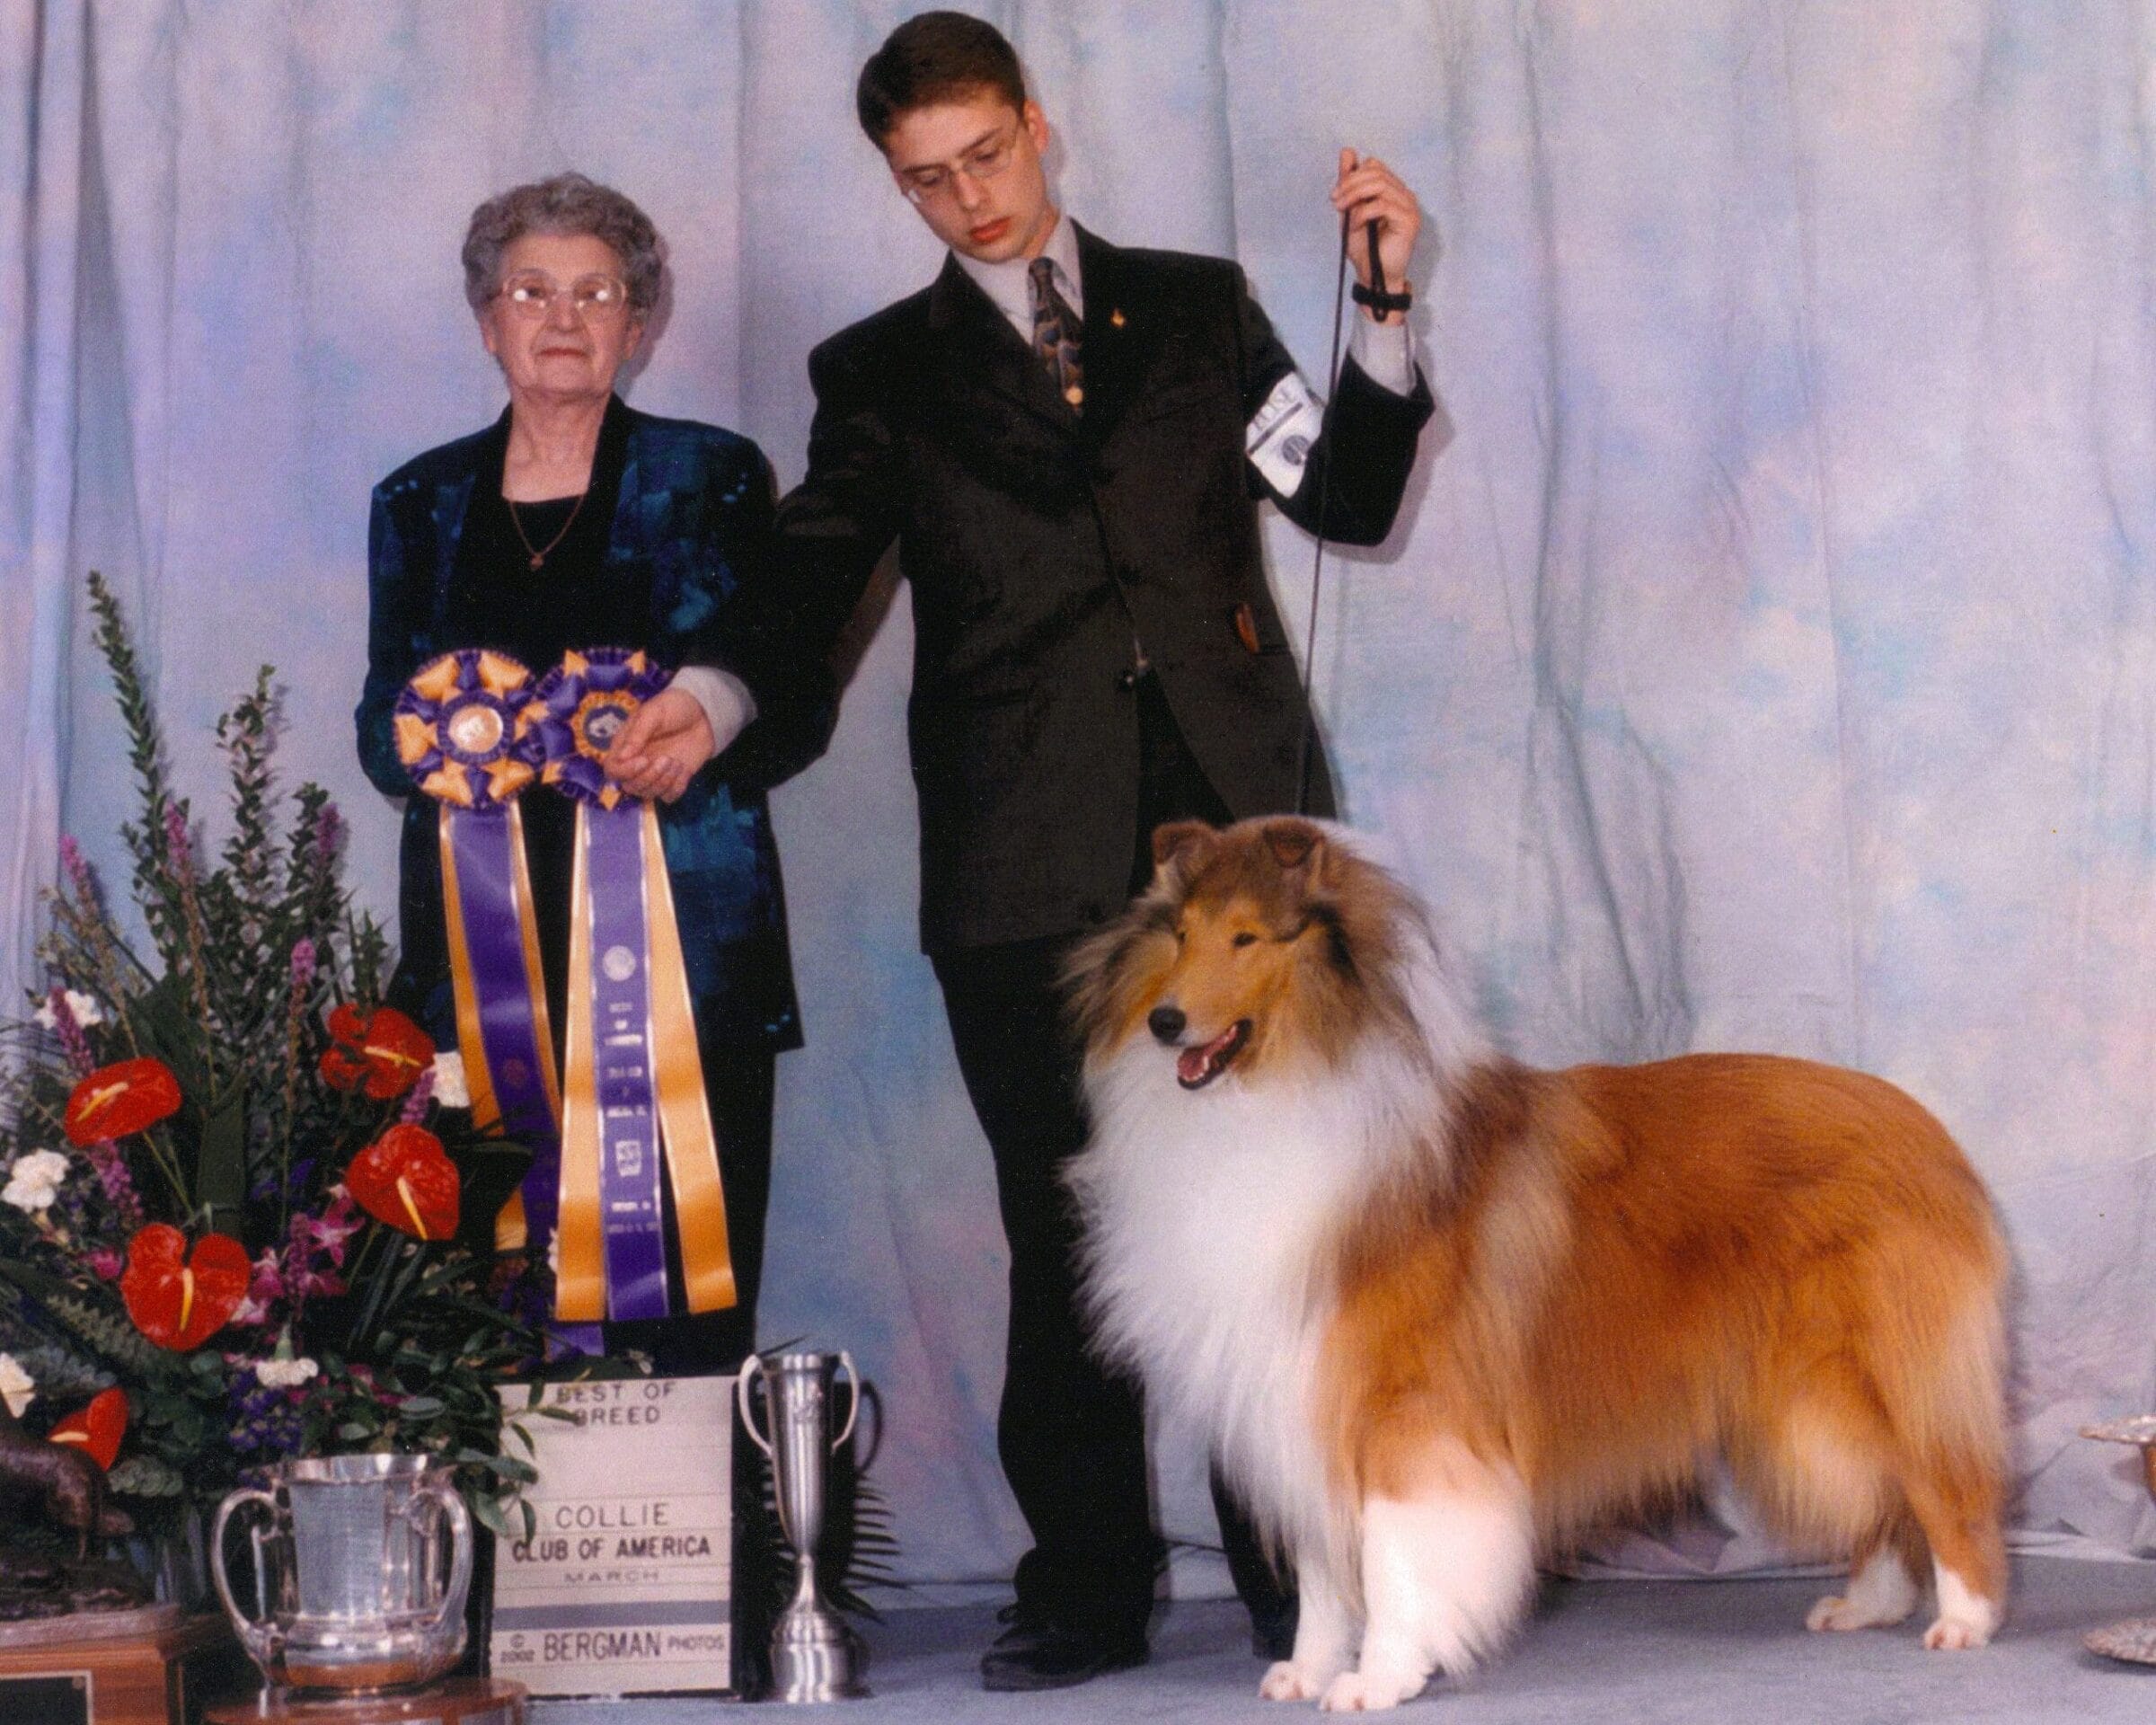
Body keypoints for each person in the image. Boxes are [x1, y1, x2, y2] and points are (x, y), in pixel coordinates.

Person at [610, 10, 1440, 1691]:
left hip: (1247, 868)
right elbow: (812, 562)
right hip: (1020, 871)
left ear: (1039, 128)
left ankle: (1305, 1580)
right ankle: (1084, 1583)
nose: (968, 201)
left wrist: (1386, 304)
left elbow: (1343, 495)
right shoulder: (881, 373)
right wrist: (709, 692)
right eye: (926, 182)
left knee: (1284, 1222)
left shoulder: (1200, 310)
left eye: (985, 158)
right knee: (1063, 1225)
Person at [354, 172, 831, 1377]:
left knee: (684, 1281)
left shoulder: (713, 476)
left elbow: (785, 692)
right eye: (531, 291)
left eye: (596, 292)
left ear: (637, 322)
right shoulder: (416, 502)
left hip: (683, 955)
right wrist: (458, 743)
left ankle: (687, 1546)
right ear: (486, 321)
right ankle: (519, 1560)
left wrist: (696, 726)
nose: (563, 319)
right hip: (476, 960)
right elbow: (378, 731)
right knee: (482, 1274)